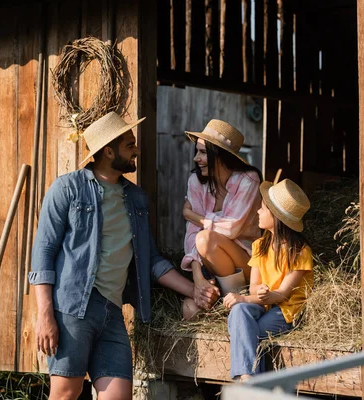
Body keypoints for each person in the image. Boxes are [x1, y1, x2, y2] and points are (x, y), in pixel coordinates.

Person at [28, 112, 199, 400]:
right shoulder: (67, 189)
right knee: (65, 395)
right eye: (129, 144)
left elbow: (150, 261)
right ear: (109, 151)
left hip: (111, 311)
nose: (136, 150)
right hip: (72, 309)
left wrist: (195, 290)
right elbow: (43, 253)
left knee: (119, 396)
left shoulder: (136, 199)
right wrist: (45, 315)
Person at [223, 178, 313, 382]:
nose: (258, 212)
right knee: (238, 312)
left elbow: (282, 294)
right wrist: (257, 292)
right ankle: (249, 378)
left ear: (277, 217)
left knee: (247, 329)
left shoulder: (300, 252)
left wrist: (245, 298)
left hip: (286, 311)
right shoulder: (260, 246)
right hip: (263, 304)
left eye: (263, 209)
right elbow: (254, 287)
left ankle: (249, 382)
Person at [180, 119, 262, 320]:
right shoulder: (196, 182)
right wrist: (198, 279)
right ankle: (218, 299)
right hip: (210, 266)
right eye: (196, 152)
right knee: (189, 310)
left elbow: (230, 229)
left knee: (206, 239)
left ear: (220, 155)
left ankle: (236, 301)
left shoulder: (248, 180)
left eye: (203, 152)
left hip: (249, 264)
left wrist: (193, 216)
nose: (196, 159)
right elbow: (192, 235)